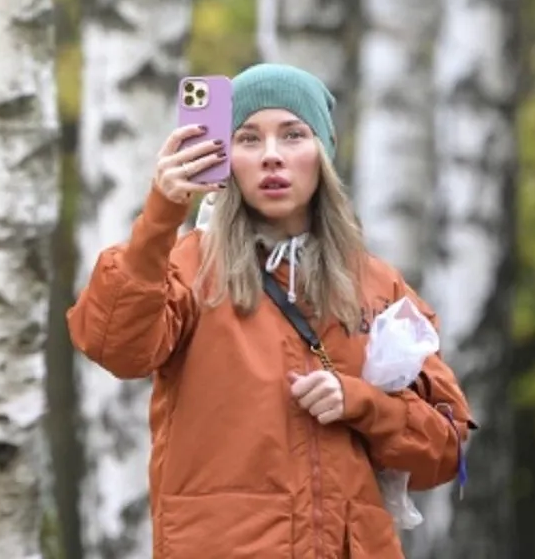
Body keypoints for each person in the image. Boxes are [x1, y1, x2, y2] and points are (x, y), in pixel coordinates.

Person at [68, 63, 476, 558]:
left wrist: (364, 404)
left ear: (323, 153)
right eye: (248, 139)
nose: (272, 157)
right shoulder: (188, 267)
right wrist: (160, 216)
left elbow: (446, 452)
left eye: (293, 135)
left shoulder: (377, 283)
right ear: (224, 157)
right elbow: (117, 348)